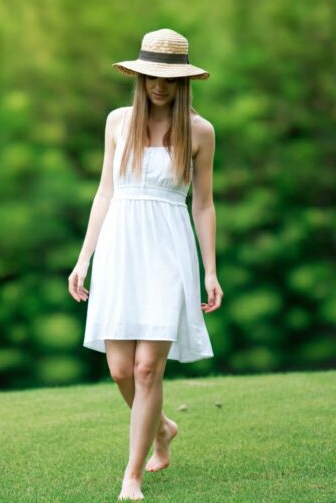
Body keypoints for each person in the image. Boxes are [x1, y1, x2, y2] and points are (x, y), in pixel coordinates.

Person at [68, 28, 223, 501]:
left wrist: (210, 269)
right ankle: (161, 428)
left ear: (182, 82)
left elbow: (204, 205)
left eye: (168, 78)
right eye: (151, 76)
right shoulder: (118, 122)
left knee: (145, 368)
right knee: (119, 368)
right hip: (120, 246)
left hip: (168, 249)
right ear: (139, 77)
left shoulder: (200, 131)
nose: (159, 86)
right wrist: (84, 258)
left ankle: (131, 476)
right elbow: (105, 192)